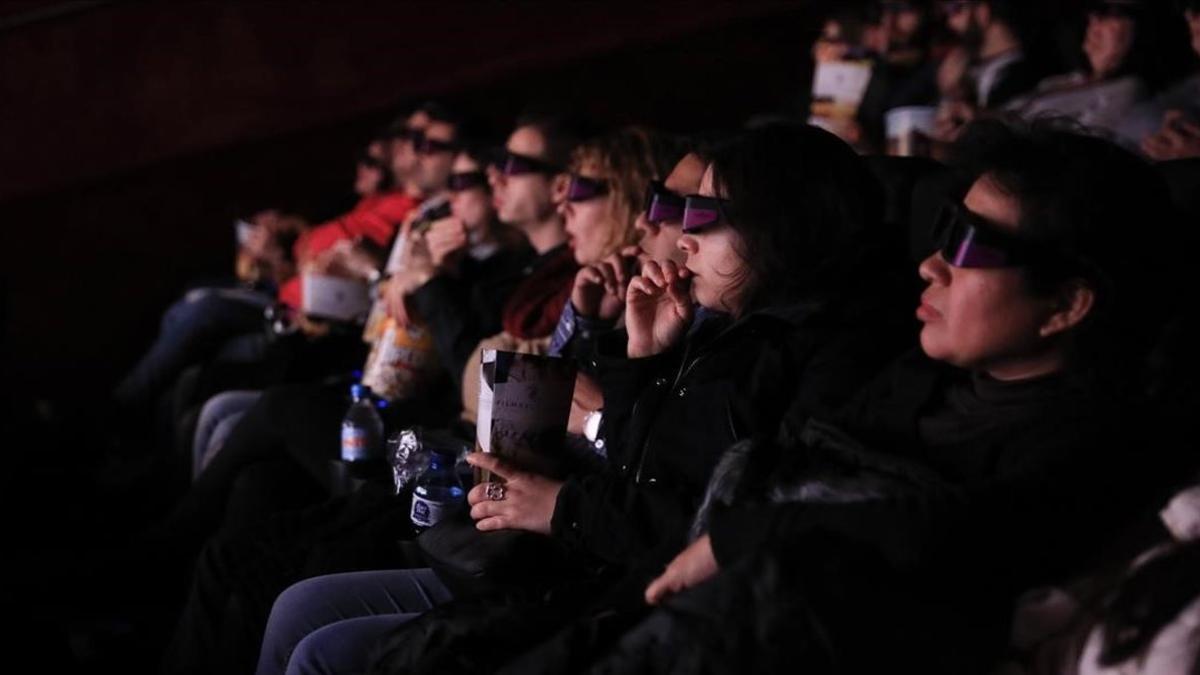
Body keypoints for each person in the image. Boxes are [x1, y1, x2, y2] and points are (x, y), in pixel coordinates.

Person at [265, 121, 916, 675]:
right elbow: (629, 443)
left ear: (780, 228)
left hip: (604, 583)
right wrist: (638, 354)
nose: (678, 232)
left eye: (701, 213)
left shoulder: (811, 351)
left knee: (322, 639)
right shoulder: (721, 323)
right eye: (675, 207)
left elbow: (701, 513)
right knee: (296, 592)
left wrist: (567, 492)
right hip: (565, 557)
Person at [581, 118, 1180, 675]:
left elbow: (967, 533)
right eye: (944, 231)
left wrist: (746, 537)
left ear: (1067, 305)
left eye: (970, 247)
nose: (931, 266)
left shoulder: (1102, 441)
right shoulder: (917, 375)